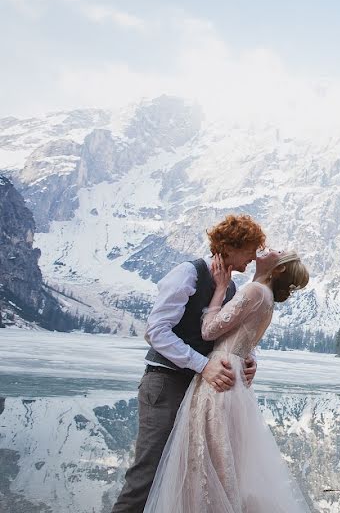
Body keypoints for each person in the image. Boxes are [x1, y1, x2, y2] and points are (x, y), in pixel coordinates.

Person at [113, 214, 267, 513]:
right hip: (165, 383)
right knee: (147, 473)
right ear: (230, 246)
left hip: (200, 392)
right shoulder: (188, 273)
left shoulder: (233, 289)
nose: (253, 256)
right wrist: (202, 365)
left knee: (187, 475)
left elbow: (224, 336)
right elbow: (156, 332)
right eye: (250, 249)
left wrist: (247, 359)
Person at [144, 247, 311, 513]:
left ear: (277, 268)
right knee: (221, 460)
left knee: (205, 461)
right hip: (231, 376)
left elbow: (209, 331)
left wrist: (220, 290)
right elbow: (242, 336)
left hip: (219, 377)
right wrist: (247, 357)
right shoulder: (262, 294)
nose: (267, 248)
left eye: (278, 252)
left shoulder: (253, 290)